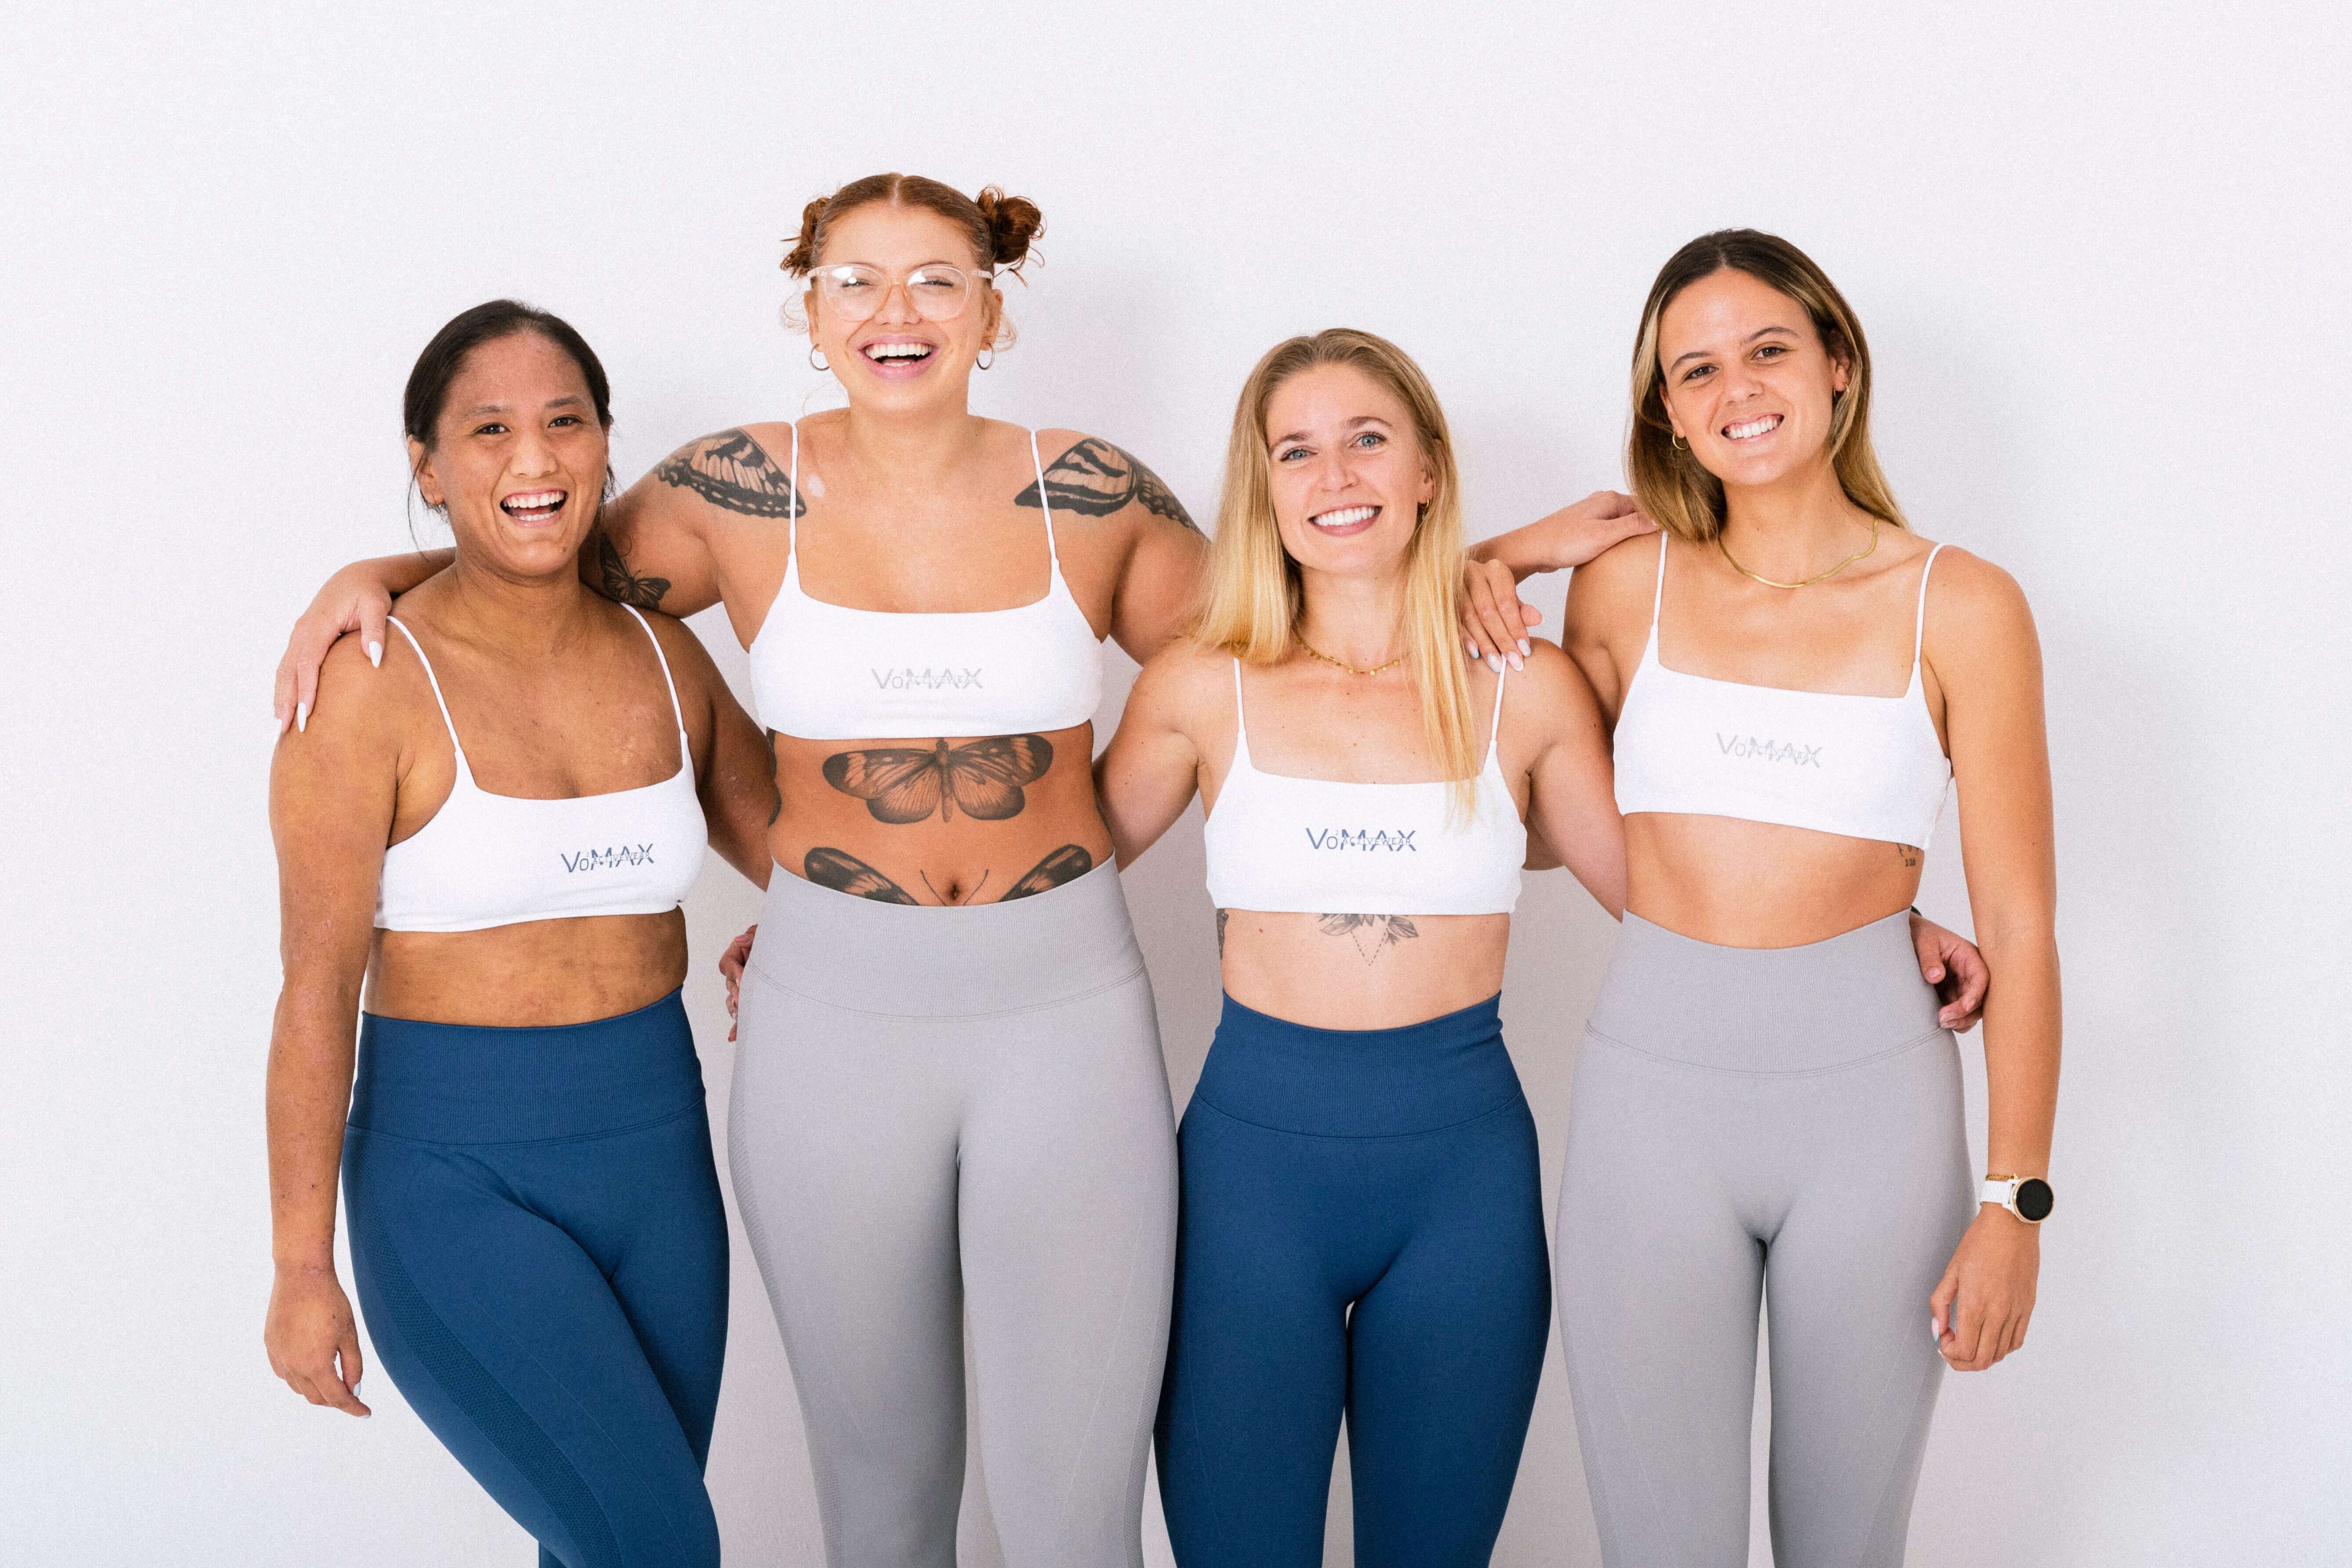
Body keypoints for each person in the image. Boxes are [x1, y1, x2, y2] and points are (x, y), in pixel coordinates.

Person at [272, 175, 1208, 1568]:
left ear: (993, 308)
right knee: (868, 1504)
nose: (898, 312)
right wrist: (374, 570)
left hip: (1046, 998)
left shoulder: (1098, 487)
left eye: (937, 279)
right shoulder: (729, 492)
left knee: (1070, 1509)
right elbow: (538, 549)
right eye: (855, 282)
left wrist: (1089, 841)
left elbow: (1280, 630)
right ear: (808, 310)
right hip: (814, 1022)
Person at [1474, 229, 2061, 1567]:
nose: (1735, 387)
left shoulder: (1958, 604)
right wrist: (1506, 549)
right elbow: (1535, 807)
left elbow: (2020, 920)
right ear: (1666, 413)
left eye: (1767, 349)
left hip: (1875, 1117)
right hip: (1649, 1110)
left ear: (1837, 365)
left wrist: (2012, 1198)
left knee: (1843, 1544)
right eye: (1694, 370)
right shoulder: (1625, 588)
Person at [1092, 328, 1621, 1565]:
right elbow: (1041, 876)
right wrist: (821, 927)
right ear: (1263, 489)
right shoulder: (1196, 685)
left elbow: (1678, 896)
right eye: (1297, 451)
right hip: (1246, 1183)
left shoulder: (1525, 686)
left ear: (1428, 468)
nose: (1334, 475)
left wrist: (1883, 910)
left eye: (1367, 440)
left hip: (1463, 1187)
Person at [265, 301, 775, 1568]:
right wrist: (297, 1264)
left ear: (606, 445)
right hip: (454, 1182)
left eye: (565, 423)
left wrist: (806, 933)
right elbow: (314, 990)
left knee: (603, 1544)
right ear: (427, 465)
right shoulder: (368, 682)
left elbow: (805, 856)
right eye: (488, 430)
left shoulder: (666, 654)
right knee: (662, 1544)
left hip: (658, 1159)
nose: (534, 461)